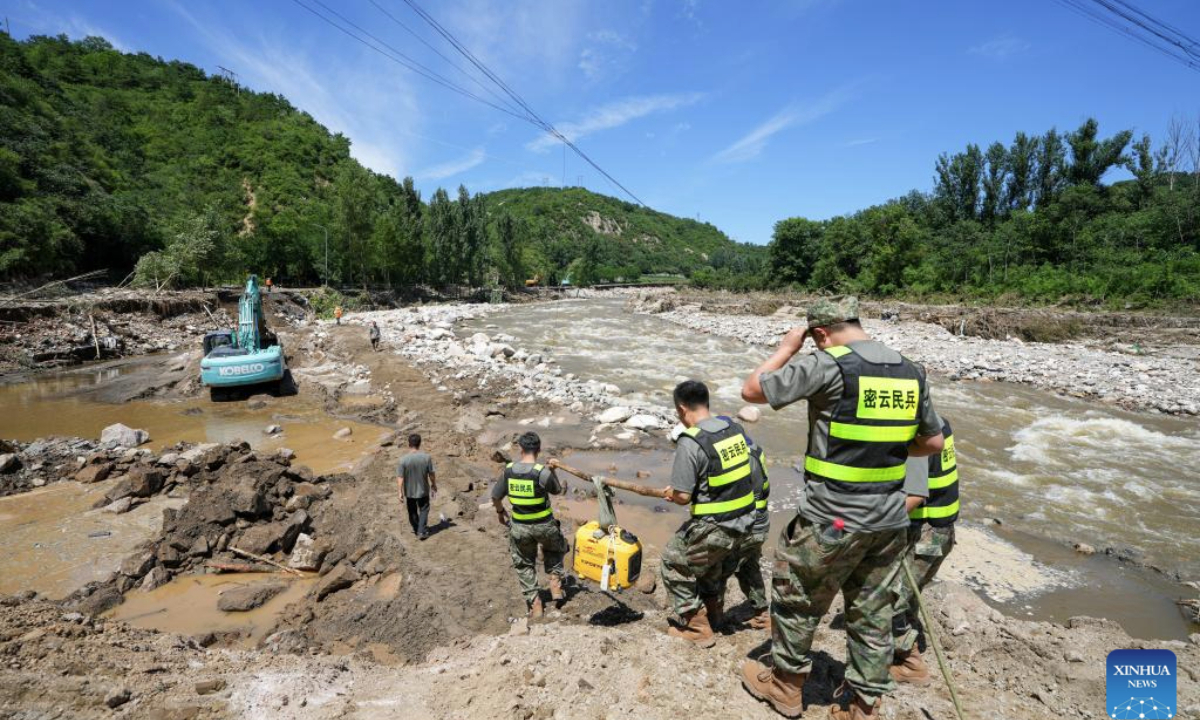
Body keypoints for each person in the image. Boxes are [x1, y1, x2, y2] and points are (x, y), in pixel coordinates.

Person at [738, 296, 944, 720]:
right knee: (873, 610)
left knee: (797, 598)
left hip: (832, 516)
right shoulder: (910, 370)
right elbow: (932, 442)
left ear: (820, 334)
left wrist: (786, 349)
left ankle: (785, 687)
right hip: (888, 518)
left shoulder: (829, 363)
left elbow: (752, 390)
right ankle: (863, 705)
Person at [659, 380, 756, 648]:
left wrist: (672, 493)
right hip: (746, 523)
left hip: (716, 527)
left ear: (681, 408)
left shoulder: (690, 442)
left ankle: (696, 626)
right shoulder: (734, 429)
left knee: (672, 561)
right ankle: (715, 615)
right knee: (710, 564)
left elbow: (682, 497)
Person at [889, 417, 958, 685]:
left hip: (928, 535)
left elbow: (914, 496)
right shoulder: (938, 422)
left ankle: (910, 664)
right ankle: (904, 641)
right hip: (938, 531)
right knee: (907, 593)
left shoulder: (918, 432)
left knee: (891, 597)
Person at [491, 432, 569, 618]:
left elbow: (495, 496)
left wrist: (501, 512)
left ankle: (535, 604)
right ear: (539, 449)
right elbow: (557, 490)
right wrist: (553, 470)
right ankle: (555, 585)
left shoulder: (509, 470)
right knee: (556, 549)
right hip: (545, 525)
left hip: (520, 527)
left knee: (524, 563)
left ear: (520, 449)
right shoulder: (541, 472)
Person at [714, 422, 772, 631]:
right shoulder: (755, 450)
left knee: (719, 570)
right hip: (760, 523)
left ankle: (714, 616)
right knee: (749, 567)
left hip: (745, 527)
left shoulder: (741, 458)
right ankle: (761, 612)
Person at [397, 433, 437, 540]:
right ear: (420, 443)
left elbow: (400, 477)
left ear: (409, 444)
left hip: (409, 491)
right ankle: (421, 530)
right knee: (424, 509)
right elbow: (431, 474)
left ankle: (417, 529)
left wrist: (400, 492)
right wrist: (433, 485)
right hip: (423, 489)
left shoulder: (403, 460)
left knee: (412, 511)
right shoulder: (426, 458)